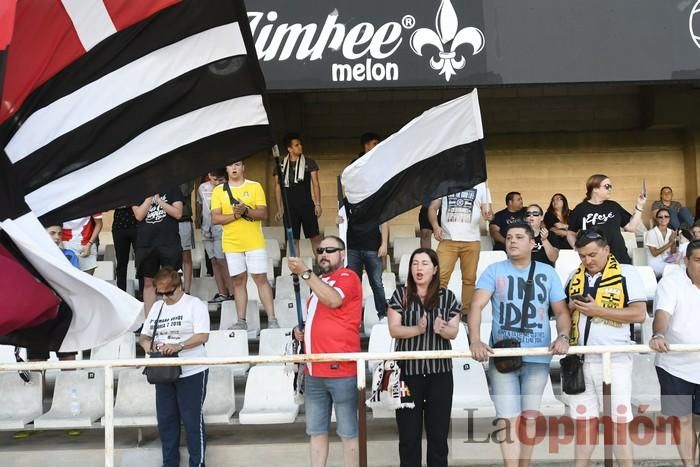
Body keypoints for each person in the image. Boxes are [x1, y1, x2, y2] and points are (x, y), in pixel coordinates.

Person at [469, 223, 571, 467]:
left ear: (532, 243)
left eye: (518, 237)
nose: (511, 241)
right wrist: (474, 339)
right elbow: (475, 306)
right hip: (504, 354)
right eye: (508, 237)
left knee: (530, 417)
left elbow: (561, 312)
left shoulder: (547, 272)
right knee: (507, 418)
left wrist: (564, 336)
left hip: (538, 355)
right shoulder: (494, 270)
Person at [565, 230, 646, 467]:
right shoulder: (573, 276)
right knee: (584, 426)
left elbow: (639, 314)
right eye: (582, 256)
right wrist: (570, 306)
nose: (587, 261)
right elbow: (561, 314)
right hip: (579, 361)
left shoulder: (627, 273)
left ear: (607, 250)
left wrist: (598, 310)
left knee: (619, 426)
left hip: (615, 360)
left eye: (592, 254)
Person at [288, 236, 362, 467]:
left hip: (341, 369)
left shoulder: (348, 276)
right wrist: (300, 331)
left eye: (331, 250)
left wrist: (305, 273)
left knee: (348, 433)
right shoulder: (319, 283)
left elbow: (333, 300)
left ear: (343, 254)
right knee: (316, 432)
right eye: (320, 250)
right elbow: (318, 316)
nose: (324, 254)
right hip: (314, 370)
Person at [387, 248, 461, 467]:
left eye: (425, 263)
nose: (419, 268)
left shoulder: (447, 297)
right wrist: (418, 330)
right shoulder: (400, 295)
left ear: (435, 268)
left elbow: (454, 333)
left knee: (438, 436)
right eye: (415, 263)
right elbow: (394, 329)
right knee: (408, 437)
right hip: (407, 375)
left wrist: (442, 328)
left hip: (440, 374)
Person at [138, 267, 209, 467]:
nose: (164, 297)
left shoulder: (194, 305)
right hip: (163, 370)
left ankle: (198, 463)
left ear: (179, 287)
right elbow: (144, 336)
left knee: (192, 420)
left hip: (192, 369)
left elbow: (203, 336)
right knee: (166, 421)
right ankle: (169, 463)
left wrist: (179, 345)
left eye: (168, 292)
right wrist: (146, 345)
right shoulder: (157, 307)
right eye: (160, 293)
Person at [650, 240, 700, 467]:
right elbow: (662, 315)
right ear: (686, 260)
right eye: (698, 260)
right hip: (674, 366)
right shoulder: (671, 282)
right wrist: (659, 334)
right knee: (682, 421)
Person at [211, 160, 277, 329]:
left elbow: (263, 213)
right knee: (238, 281)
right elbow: (215, 218)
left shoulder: (255, 186)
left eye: (238, 165)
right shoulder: (219, 190)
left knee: (260, 278)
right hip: (232, 243)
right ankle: (241, 321)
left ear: (243, 168)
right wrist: (235, 215)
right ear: (226, 168)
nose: (234, 168)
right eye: (231, 165)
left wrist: (245, 211)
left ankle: (272, 319)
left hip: (254, 241)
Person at [428, 182, 492, 313]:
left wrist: (488, 214)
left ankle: (467, 312)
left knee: (469, 279)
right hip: (448, 239)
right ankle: (435, 310)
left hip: (472, 240)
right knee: (439, 278)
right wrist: (435, 226)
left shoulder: (481, 185)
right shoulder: (444, 184)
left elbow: (489, 211)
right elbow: (432, 208)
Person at [345, 132, 389, 320]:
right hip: (354, 244)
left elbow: (385, 216)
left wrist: (384, 243)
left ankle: (383, 316)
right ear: (365, 146)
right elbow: (342, 204)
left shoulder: (380, 172)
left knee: (377, 283)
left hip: (372, 243)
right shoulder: (354, 168)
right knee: (352, 284)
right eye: (373, 143)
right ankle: (352, 316)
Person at [567, 174, 647, 264]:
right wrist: (577, 247)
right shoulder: (581, 209)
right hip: (594, 260)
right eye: (607, 186)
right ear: (595, 189)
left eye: (610, 186)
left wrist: (640, 205)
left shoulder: (613, 206)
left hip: (619, 255)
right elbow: (570, 233)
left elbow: (631, 227)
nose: (610, 189)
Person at [133, 189, 184, 319]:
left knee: (172, 280)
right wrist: (150, 198)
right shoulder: (135, 190)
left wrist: (160, 201)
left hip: (169, 242)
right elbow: (139, 215)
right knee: (148, 282)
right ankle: (149, 321)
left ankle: (175, 317)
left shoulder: (173, 188)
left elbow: (178, 213)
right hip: (146, 244)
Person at [274, 133, 322, 255]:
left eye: (300, 144)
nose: (300, 147)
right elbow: (278, 187)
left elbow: (315, 183)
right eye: (296, 145)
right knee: (293, 240)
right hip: (289, 208)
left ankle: (323, 268)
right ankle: (295, 272)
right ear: (289, 149)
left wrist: (317, 204)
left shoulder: (309, 162)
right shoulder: (280, 165)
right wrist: (279, 208)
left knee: (315, 238)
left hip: (307, 205)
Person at [197, 169, 232, 303]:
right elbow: (200, 205)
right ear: (209, 176)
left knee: (222, 260)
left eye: (220, 179)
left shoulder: (226, 188)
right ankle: (222, 292)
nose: (216, 182)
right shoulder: (202, 188)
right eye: (214, 179)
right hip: (206, 228)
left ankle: (232, 292)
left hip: (220, 227)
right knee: (214, 261)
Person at [644, 207, 679, 278]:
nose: (663, 219)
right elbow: (654, 253)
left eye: (666, 216)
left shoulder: (672, 232)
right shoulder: (651, 233)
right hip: (655, 262)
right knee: (675, 270)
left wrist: (673, 242)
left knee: (679, 266)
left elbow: (673, 253)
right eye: (660, 217)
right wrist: (671, 242)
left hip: (668, 261)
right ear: (656, 219)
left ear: (669, 218)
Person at [111, 206, 138, 291]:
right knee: (121, 263)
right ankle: (121, 293)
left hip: (137, 225)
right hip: (119, 226)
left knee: (141, 262)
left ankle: (143, 295)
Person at [178, 181, 196, 294]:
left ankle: (187, 290)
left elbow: (184, 191)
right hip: (167, 220)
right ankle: (176, 288)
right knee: (171, 257)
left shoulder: (186, 175)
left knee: (186, 255)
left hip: (184, 219)